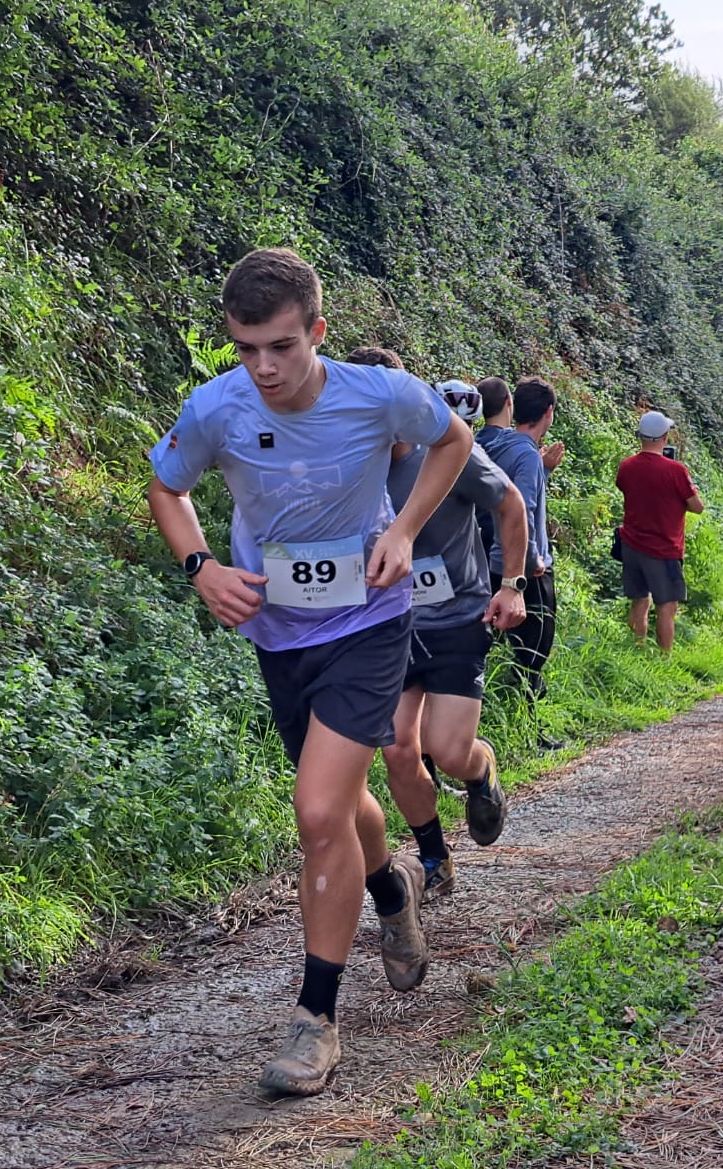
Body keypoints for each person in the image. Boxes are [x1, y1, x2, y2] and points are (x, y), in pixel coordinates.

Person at [147, 249, 473, 1097]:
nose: (264, 368)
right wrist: (202, 568)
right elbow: (165, 485)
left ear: (317, 333)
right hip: (280, 635)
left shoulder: (378, 393)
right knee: (340, 802)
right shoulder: (217, 408)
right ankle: (390, 887)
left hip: (369, 622)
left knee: (318, 807)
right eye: (246, 348)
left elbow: (453, 440)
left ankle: (316, 1020)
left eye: (282, 347)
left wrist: (402, 531)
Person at [361, 359, 530, 899]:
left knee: (448, 750)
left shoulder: (448, 450)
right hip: (388, 625)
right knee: (399, 753)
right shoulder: (345, 465)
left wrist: (512, 583)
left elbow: (510, 504)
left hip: (459, 617)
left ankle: (480, 773)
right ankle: (434, 855)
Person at [476, 376, 562, 722]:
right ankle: (529, 726)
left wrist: (543, 470)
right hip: (524, 571)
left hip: (485, 562)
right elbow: (521, 507)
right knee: (532, 653)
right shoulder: (523, 453)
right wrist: (533, 559)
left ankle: (490, 718)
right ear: (549, 412)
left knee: (487, 647)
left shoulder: (479, 442)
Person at [615, 410, 705, 651]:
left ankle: (637, 651)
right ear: (665, 437)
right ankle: (664, 660)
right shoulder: (676, 471)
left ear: (640, 436)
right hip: (664, 548)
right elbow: (697, 507)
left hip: (632, 545)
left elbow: (625, 488)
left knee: (640, 601)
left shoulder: (626, 466)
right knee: (667, 607)